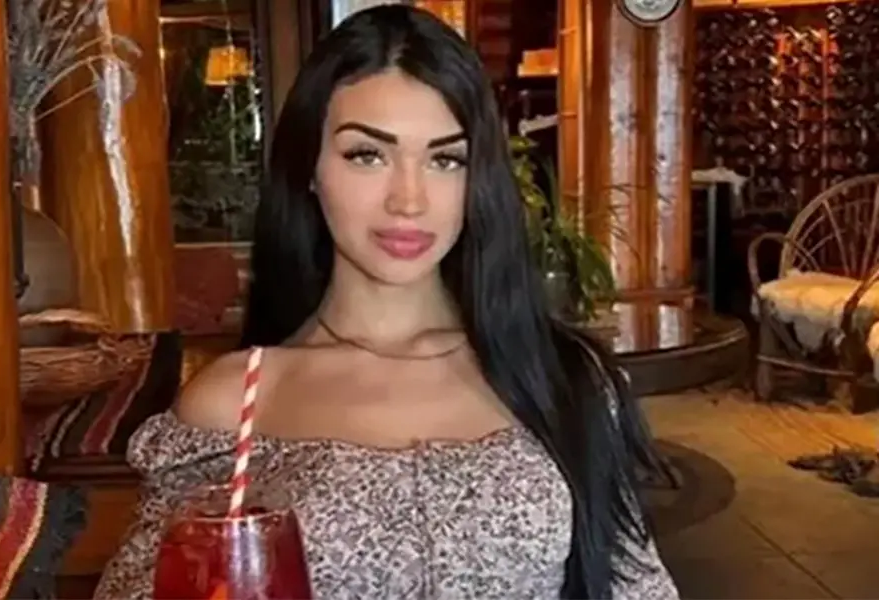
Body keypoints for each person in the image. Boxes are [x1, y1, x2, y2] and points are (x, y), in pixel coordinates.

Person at [95, 6, 679, 599]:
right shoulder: (236, 402)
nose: (409, 199)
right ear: (308, 167)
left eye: (445, 159)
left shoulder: (559, 377)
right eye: (367, 155)